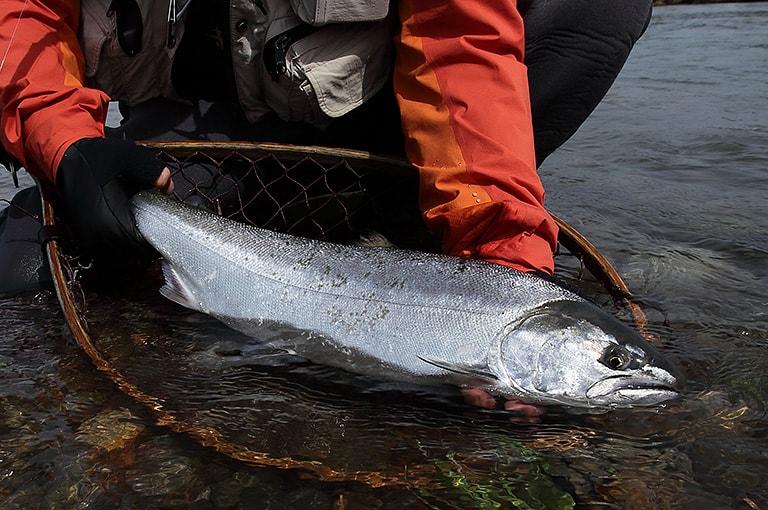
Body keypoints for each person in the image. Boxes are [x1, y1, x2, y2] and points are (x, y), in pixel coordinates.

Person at [0, 0, 652, 413]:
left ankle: (409, 219)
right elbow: (24, 13)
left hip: (374, 117)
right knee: (23, 269)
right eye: (615, 362)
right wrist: (68, 146)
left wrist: (500, 248)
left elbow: (462, 40)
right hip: (194, 139)